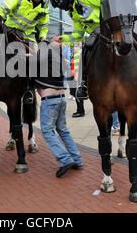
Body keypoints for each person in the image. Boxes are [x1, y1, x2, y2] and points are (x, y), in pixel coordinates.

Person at [49, 0, 137, 100]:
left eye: (58, 5)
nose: (60, 8)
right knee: (86, 48)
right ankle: (84, 84)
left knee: (136, 39)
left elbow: (107, 3)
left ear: (61, 1)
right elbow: (77, 35)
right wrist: (63, 38)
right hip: (95, 35)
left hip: (110, 27)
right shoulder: (73, 13)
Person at [0, 0, 50, 103]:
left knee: (36, 60)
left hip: (28, 36)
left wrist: (43, 38)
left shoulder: (44, 6)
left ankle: (29, 90)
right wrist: (1, 22)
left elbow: (43, 25)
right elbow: (1, 10)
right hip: (10, 32)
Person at [35, 40, 83, 178]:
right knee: (63, 130)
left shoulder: (45, 53)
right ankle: (77, 159)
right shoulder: (59, 58)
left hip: (50, 101)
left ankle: (65, 159)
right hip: (61, 97)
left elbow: (31, 62)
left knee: (47, 130)